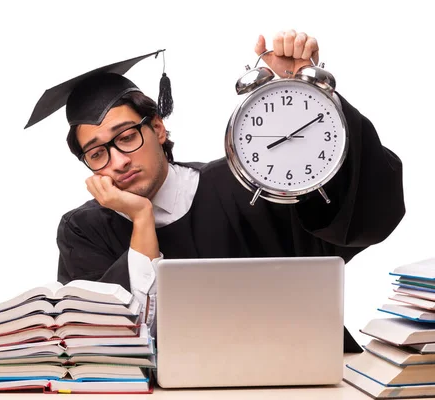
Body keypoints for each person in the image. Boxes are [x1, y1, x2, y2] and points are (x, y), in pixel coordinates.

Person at [24, 30, 405, 353]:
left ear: (157, 128)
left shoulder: (246, 181)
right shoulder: (83, 230)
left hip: (297, 373)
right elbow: (99, 347)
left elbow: (361, 213)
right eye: (97, 153)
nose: (118, 161)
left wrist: (306, 93)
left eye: (126, 137)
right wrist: (142, 220)